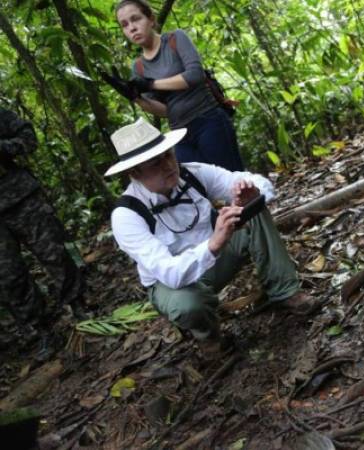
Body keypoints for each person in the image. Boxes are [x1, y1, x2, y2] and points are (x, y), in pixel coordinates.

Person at [106, 118, 319, 349]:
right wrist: (214, 244)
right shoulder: (126, 216)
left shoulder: (192, 174)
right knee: (188, 305)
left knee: (254, 206)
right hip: (175, 285)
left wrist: (250, 191)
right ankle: (208, 338)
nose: (169, 165)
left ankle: (285, 291)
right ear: (134, 172)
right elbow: (170, 273)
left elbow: (251, 180)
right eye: (156, 163)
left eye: (168, 155)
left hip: (217, 258)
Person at [112, 0, 245, 172]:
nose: (132, 28)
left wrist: (151, 84)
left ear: (151, 19)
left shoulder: (175, 39)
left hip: (209, 119)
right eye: (125, 25)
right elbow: (166, 111)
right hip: (179, 133)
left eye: (136, 19)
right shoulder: (138, 68)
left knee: (234, 180)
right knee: (204, 190)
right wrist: (135, 97)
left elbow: (195, 75)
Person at [0, 106, 85, 358]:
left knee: (53, 253)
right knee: (8, 277)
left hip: (21, 197)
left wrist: (3, 148)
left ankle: (79, 306)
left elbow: (28, 138)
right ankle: (43, 330)